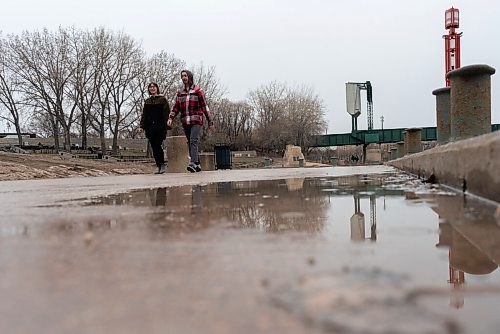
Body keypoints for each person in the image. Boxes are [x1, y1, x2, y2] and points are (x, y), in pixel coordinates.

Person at [167, 70, 214, 173]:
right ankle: (197, 164)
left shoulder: (198, 91)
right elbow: (175, 108)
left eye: (185, 75)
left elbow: (204, 106)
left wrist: (210, 120)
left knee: (193, 140)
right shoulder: (180, 93)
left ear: (190, 77)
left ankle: (193, 162)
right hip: (185, 121)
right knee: (190, 142)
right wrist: (170, 118)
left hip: (196, 120)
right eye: (182, 76)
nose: (183, 77)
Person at [139, 82, 170, 174]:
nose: (152, 88)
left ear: (157, 88)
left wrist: (167, 124)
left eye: (154, 87)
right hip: (150, 127)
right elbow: (144, 114)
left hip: (160, 126)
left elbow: (166, 113)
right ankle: (158, 165)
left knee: (158, 144)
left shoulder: (162, 99)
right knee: (153, 146)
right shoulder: (147, 101)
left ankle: (162, 164)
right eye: (150, 87)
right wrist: (142, 126)